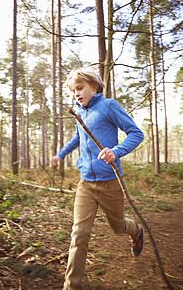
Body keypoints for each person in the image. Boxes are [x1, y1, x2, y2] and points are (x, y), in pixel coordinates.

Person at [51, 67, 144, 290]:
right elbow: (78, 137)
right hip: (86, 183)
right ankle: (72, 286)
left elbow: (136, 133)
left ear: (94, 86)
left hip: (110, 180)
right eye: (74, 90)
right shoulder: (79, 112)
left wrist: (116, 151)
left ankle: (136, 231)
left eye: (80, 88)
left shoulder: (108, 106)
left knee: (118, 227)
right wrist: (61, 154)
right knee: (79, 234)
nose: (77, 93)